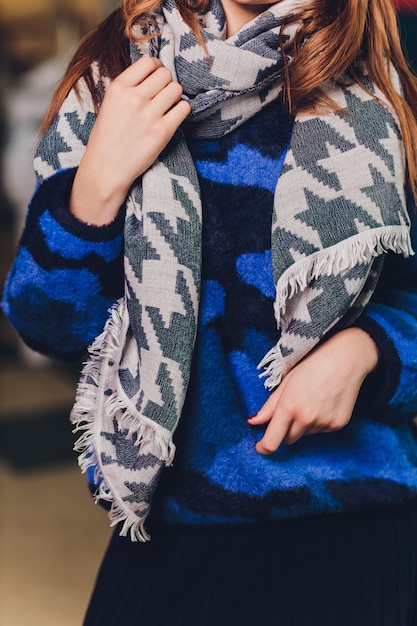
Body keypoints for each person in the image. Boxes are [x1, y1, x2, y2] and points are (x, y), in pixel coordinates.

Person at [3, 0, 417, 623]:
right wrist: (97, 184)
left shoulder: (388, 84)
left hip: (361, 526)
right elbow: (47, 325)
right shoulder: (114, 75)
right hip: (173, 530)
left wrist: (370, 352)